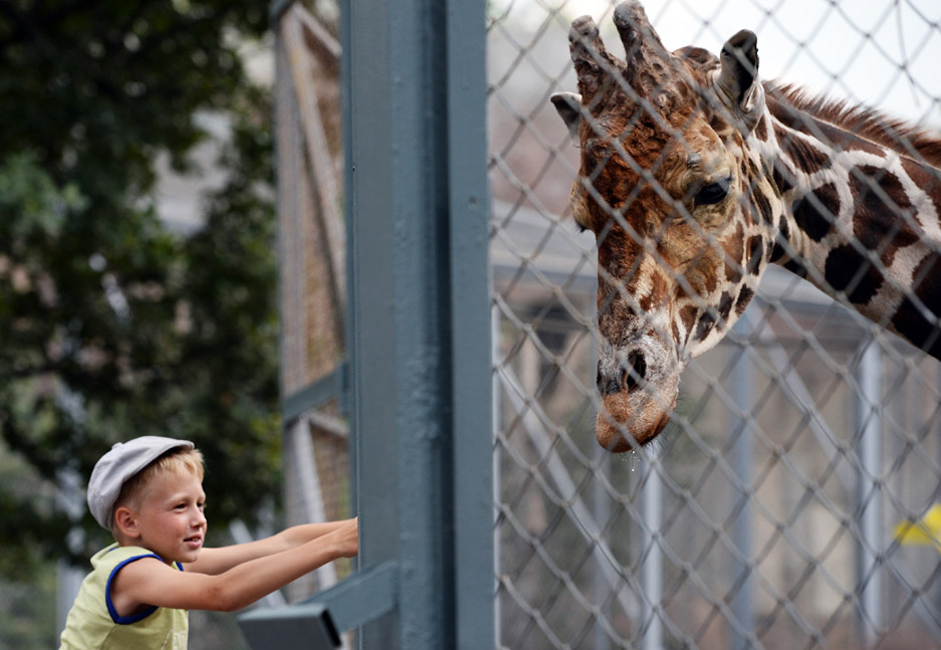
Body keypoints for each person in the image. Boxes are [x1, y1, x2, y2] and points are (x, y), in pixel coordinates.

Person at [59, 435, 358, 650]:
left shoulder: (167, 564)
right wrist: (334, 545)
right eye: (180, 507)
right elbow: (222, 593)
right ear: (129, 522)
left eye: (199, 505)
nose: (198, 519)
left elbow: (283, 542)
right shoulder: (132, 572)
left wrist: (360, 527)